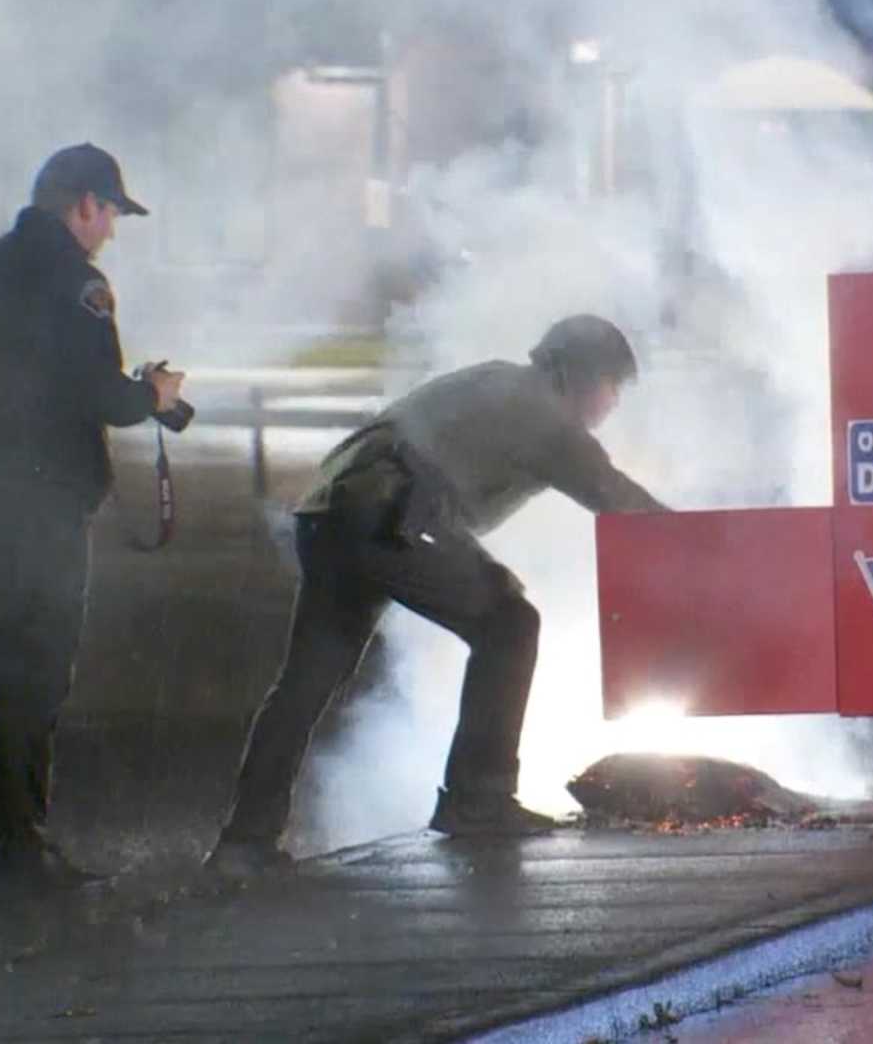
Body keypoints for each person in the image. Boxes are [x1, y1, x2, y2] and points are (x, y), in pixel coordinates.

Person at [207, 314, 668, 879]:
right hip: (394, 512)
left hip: (335, 510)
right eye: (611, 386)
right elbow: (614, 495)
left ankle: (243, 841)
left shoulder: (500, 383)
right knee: (508, 624)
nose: (612, 403)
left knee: (306, 682)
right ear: (576, 374)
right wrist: (702, 542)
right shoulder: (542, 413)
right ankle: (477, 797)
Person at [0, 143, 185, 903]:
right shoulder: (77, 282)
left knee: (20, 669)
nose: (109, 230)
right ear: (84, 204)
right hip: (37, 506)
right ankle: (18, 851)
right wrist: (157, 395)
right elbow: (100, 396)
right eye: (109, 213)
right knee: (37, 677)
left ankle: (13, 842)